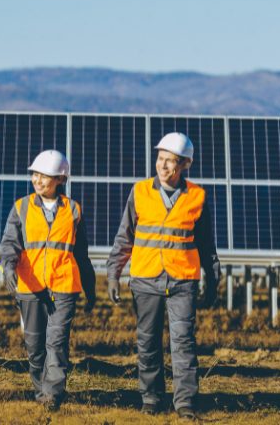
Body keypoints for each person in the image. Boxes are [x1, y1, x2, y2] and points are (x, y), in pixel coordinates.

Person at [106, 132, 221, 419]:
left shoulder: (197, 196)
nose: (164, 166)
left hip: (183, 280)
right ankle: (151, 398)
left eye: (171, 161)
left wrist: (214, 278)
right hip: (146, 279)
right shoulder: (140, 191)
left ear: (185, 165)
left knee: (183, 343)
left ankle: (185, 403)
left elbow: (207, 244)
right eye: (160, 159)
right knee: (147, 342)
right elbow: (125, 237)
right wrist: (113, 274)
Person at [0, 150, 96, 411]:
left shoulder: (74, 210)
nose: (38, 180)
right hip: (30, 286)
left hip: (64, 286)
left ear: (60, 179)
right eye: (35, 175)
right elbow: (9, 244)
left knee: (57, 341)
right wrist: (9, 267)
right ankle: (40, 388)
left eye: (44, 176)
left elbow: (82, 253)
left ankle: (51, 395)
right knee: (35, 344)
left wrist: (90, 288)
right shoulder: (21, 207)